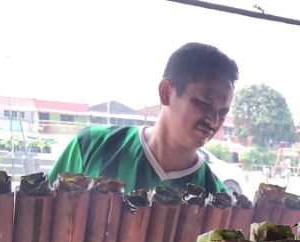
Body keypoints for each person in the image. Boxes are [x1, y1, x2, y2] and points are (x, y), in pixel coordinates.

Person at [49, 43, 239, 193]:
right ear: (166, 93)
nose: (214, 121)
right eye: (204, 103)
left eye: (223, 112)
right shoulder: (90, 145)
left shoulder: (214, 197)